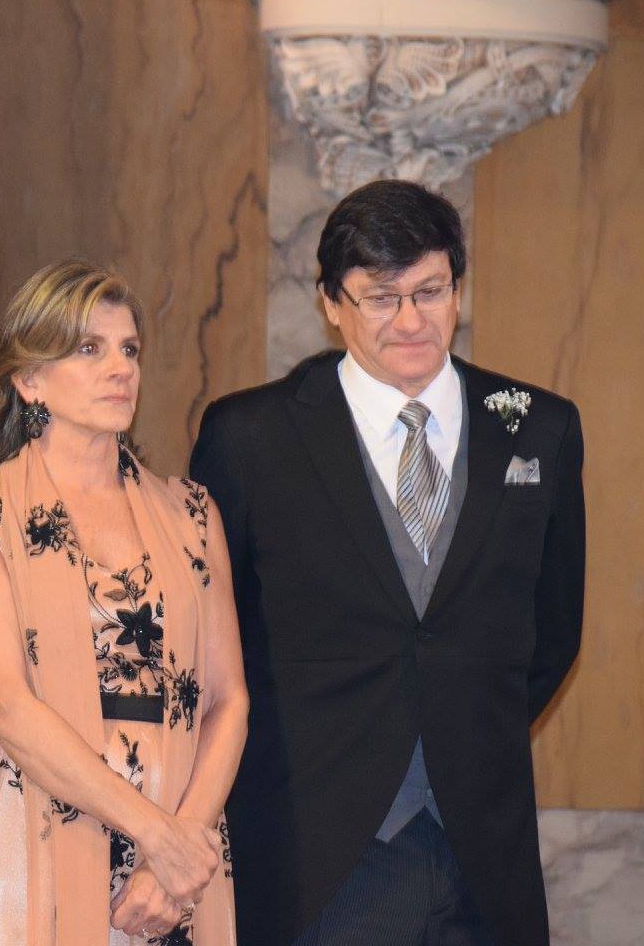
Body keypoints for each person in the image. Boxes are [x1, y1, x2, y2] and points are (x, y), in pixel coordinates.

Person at [190, 179, 586, 946]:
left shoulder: (540, 430)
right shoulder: (250, 438)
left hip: (485, 854)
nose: (411, 320)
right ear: (332, 303)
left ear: (458, 290)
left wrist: (459, 724)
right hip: (320, 853)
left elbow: (553, 631)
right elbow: (211, 646)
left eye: (431, 291)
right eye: (381, 297)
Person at [0, 259, 247, 944]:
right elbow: (4, 706)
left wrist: (180, 848)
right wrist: (155, 834)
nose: (121, 368)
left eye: (129, 350)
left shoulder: (192, 511)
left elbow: (229, 700)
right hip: (38, 826)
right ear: (28, 378)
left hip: (179, 842)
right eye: (89, 348)